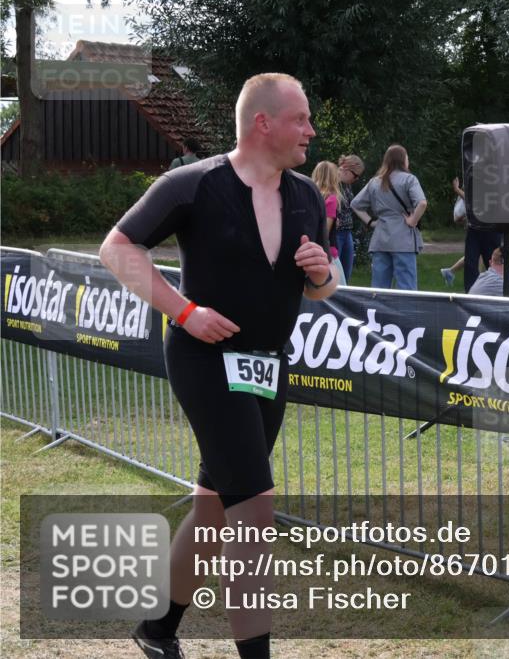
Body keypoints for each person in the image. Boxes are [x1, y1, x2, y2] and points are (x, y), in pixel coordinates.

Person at [99, 72, 338, 659]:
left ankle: (156, 628)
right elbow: (117, 249)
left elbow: (321, 292)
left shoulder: (306, 195)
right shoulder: (195, 184)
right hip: (205, 361)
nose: (310, 129)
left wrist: (320, 274)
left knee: (214, 506)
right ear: (264, 123)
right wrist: (184, 312)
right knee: (252, 511)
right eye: (300, 118)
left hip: (268, 366)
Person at [351, 145, 427, 290]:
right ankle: (405, 313)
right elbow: (422, 203)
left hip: (380, 239)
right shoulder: (409, 179)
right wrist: (413, 220)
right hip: (403, 239)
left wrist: (371, 222)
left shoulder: (375, 182)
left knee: (379, 289)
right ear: (403, 160)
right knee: (407, 289)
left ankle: (378, 313)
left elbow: (355, 204)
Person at [454, 176, 502, 293]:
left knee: (493, 262)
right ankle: (471, 293)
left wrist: (457, 190)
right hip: (474, 228)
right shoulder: (474, 175)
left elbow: (477, 200)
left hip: (490, 229)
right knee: (471, 263)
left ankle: (499, 290)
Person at [334, 153, 366, 281]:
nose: (356, 179)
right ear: (347, 170)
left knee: (346, 274)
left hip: (347, 232)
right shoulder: (332, 182)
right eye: (356, 175)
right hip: (336, 233)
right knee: (336, 274)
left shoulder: (346, 184)